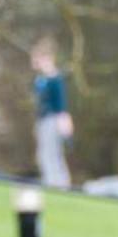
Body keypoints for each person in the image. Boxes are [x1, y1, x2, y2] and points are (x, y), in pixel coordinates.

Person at [30, 39, 73, 189]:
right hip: (43, 121)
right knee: (43, 154)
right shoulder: (41, 80)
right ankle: (50, 182)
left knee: (54, 153)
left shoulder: (55, 79)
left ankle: (60, 184)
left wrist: (65, 123)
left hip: (53, 120)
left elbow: (61, 105)